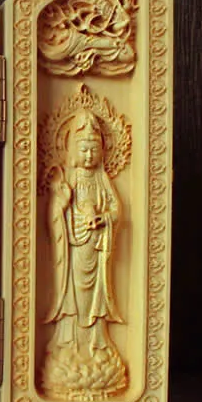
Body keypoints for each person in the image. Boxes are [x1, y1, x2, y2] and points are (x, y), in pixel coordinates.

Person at [45, 109, 123, 355]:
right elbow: (56, 212)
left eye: (93, 150)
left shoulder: (102, 179)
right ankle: (69, 340)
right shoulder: (71, 177)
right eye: (84, 150)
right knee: (73, 292)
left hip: (97, 246)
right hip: (75, 247)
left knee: (97, 295)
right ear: (72, 150)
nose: (89, 156)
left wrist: (104, 218)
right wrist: (62, 202)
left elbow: (116, 209)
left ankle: (97, 341)